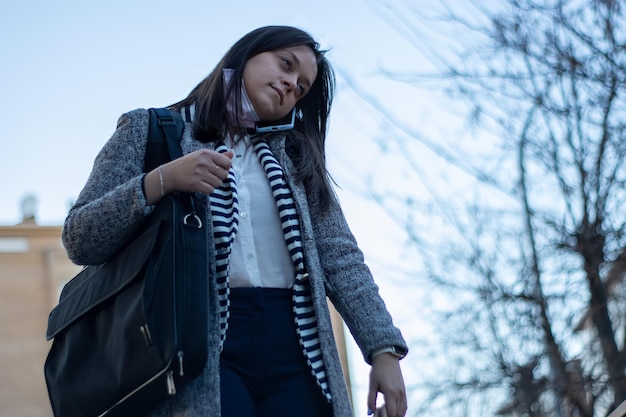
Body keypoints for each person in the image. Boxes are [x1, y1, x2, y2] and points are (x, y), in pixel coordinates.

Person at [62, 25, 408, 417]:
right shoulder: (151, 130)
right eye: (286, 64)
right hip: (197, 340)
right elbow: (80, 238)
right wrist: (163, 180)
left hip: (297, 342)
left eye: (301, 87)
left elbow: (340, 257)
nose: (290, 84)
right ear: (246, 54)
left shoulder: (296, 159)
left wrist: (383, 349)